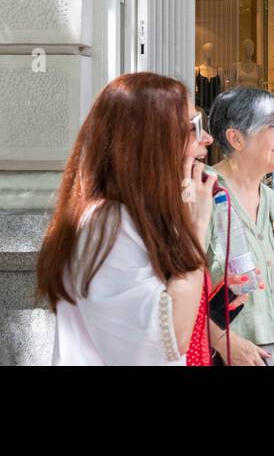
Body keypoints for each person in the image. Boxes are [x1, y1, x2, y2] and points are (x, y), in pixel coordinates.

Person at [38, 73, 221, 365]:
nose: (207, 140)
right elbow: (169, 339)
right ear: (151, 141)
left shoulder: (134, 218)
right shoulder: (107, 225)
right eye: (194, 127)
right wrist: (196, 227)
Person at [206, 87, 274, 365]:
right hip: (225, 357)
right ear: (235, 138)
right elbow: (176, 287)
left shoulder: (270, 199)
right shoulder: (204, 192)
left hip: (272, 354)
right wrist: (223, 341)